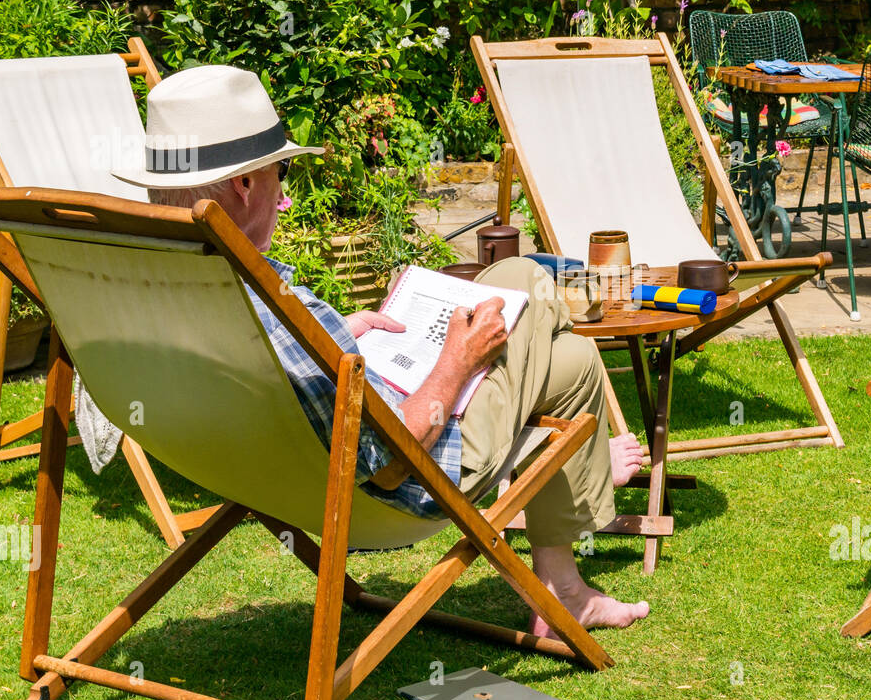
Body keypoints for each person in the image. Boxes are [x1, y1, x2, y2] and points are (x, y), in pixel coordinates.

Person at [118, 64, 649, 636]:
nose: (285, 193)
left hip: (261, 474)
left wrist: (334, 337)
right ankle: (572, 522)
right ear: (244, 185)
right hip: (402, 486)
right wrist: (456, 360)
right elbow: (393, 463)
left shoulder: (154, 287)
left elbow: (261, 374)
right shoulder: (275, 309)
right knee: (531, 286)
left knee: (568, 360)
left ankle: (565, 572)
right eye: (280, 171)